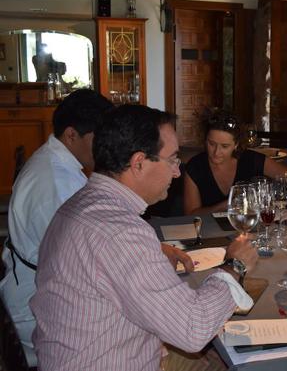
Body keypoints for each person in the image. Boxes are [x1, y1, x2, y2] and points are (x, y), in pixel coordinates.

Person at [30, 104, 258, 370]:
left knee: (217, 359)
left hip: (85, 349)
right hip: (105, 361)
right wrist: (233, 266)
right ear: (138, 163)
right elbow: (193, 329)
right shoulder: (121, 233)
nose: (177, 171)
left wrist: (153, 251)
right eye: (173, 159)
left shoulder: (80, 205)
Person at [0, 89, 113, 367]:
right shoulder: (54, 183)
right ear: (72, 135)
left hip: (39, 285)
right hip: (37, 308)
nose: (104, 149)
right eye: (98, 140)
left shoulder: (59, 163)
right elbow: (81, 265)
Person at [184, 108, 287, 214]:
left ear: (236, 144)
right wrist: (229, 204)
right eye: (212, 144)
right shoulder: (195, 167)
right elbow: (190, 214)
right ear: (205, 140)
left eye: (225, 146)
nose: (216, 152)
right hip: (207, 229)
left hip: (252, 227)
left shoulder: (252, 160)